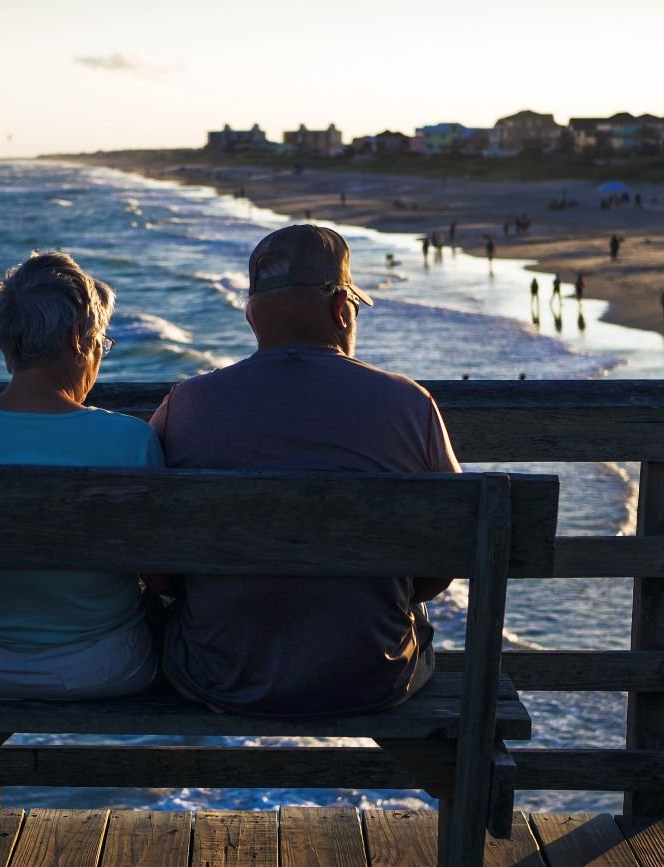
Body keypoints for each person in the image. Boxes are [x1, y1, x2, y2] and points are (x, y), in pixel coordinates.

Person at [150, 225, 461, 717]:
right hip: (372, 679)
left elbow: (154, 561)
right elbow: (454, 544)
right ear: (342, 309)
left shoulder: (184, 405)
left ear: (253, 319)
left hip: (219, 675)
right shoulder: (409, 404)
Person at [0, 251, 163, 700]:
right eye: (102, 341)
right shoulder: (130, 440)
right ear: (78, 339)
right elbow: (161, 575)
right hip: (103, 667)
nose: (100, 354)